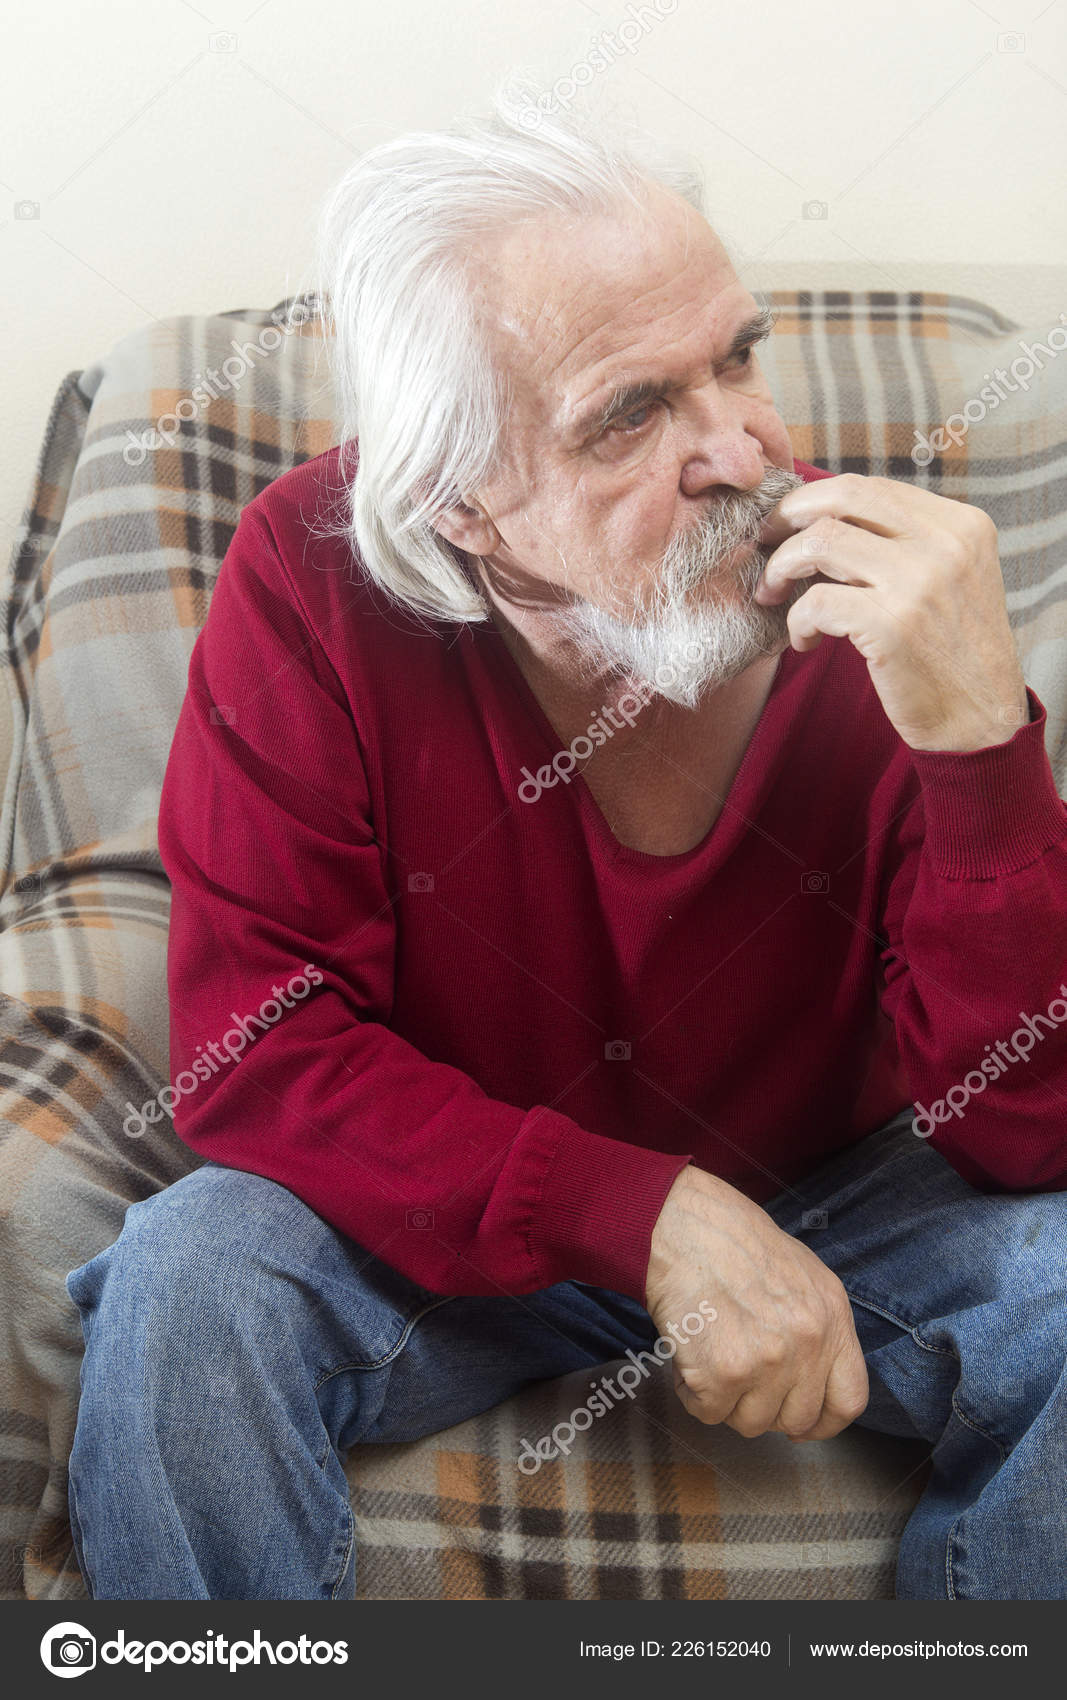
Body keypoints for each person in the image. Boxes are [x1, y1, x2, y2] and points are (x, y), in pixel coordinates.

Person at [64, 81, 1067, 1602]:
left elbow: (1025, 1132)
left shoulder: (886, 602)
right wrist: (641, 1212)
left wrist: (982, 746)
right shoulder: (309, 579)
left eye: (737, 358)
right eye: (633, 412)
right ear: (460, 498)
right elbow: (259, 1049)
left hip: (853, 1194)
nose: (738, 449)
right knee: (188, 1278)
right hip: (458, 1201)